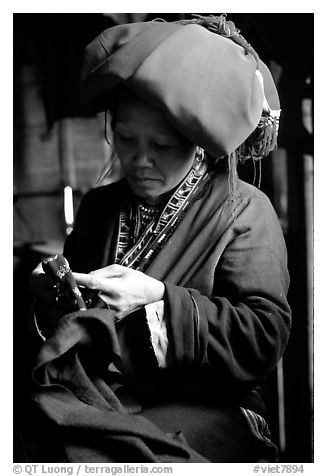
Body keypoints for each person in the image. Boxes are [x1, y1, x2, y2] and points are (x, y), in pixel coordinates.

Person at [29, 15, 291, 463]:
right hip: (107, 393)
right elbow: (75, 318)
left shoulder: (243, 210)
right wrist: (53, 298)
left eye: (163, 146)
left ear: (197, 143)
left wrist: (159, 300)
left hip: (214, 405)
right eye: (127, 139)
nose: (140, 160)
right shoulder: (99, 208)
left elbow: (265, 335)